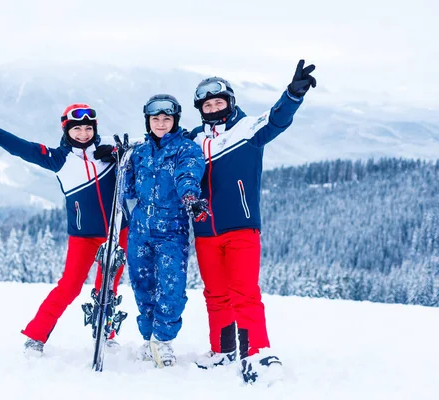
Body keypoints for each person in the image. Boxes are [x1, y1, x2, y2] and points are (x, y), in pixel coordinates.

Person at [0, 100, 130, 358]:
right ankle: (36, 336)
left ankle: (105, 335)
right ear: (67, 130)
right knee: (69, 287)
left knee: (107, 287)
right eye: (77, 129)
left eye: (88, 128)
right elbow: (25, 149)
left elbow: (142, 151)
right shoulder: (59, 159)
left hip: (117, 232)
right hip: (83, 236)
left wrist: (118, 152)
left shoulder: (110, 149)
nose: (83, 133)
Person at [187, 60, 317, 382]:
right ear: (201, 109)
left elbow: (276, 120)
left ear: (229, 103)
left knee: (244, 294)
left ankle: (257, 353)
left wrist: (292, 95)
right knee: (215, 294)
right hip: (205, 232)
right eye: (208, 104)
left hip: (242, 228)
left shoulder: (246, 130)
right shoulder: (191, 140)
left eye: (219, 101)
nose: (214, 107)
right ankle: (223, 350)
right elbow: (159, 146)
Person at [121, 94, 208, 368]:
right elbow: (128, 190)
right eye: (155, 118)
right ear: (148, 121)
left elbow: (188, 176)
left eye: (166, 119)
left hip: (171, 230)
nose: (160, 123)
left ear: (175, 121)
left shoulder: (186, 149)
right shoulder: (139, 152)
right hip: (140, 230)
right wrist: (120, 162)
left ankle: (163, 340)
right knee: (142, 286)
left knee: (172, 287)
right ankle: (149, 339)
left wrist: (190, 197)